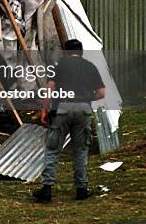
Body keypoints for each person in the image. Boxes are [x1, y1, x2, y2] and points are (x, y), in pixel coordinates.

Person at [34, 39, 106, 203]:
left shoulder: (58, 66)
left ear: (65, 52)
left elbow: (50, 89)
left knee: (52, 149)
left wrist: (44, 110)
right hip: (83, 110)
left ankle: (46, 189)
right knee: (80, 150)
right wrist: (86, 98)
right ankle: (81, 189)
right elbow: (101, 93)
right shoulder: (90, 67)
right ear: (81, 52)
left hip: (62, 109)